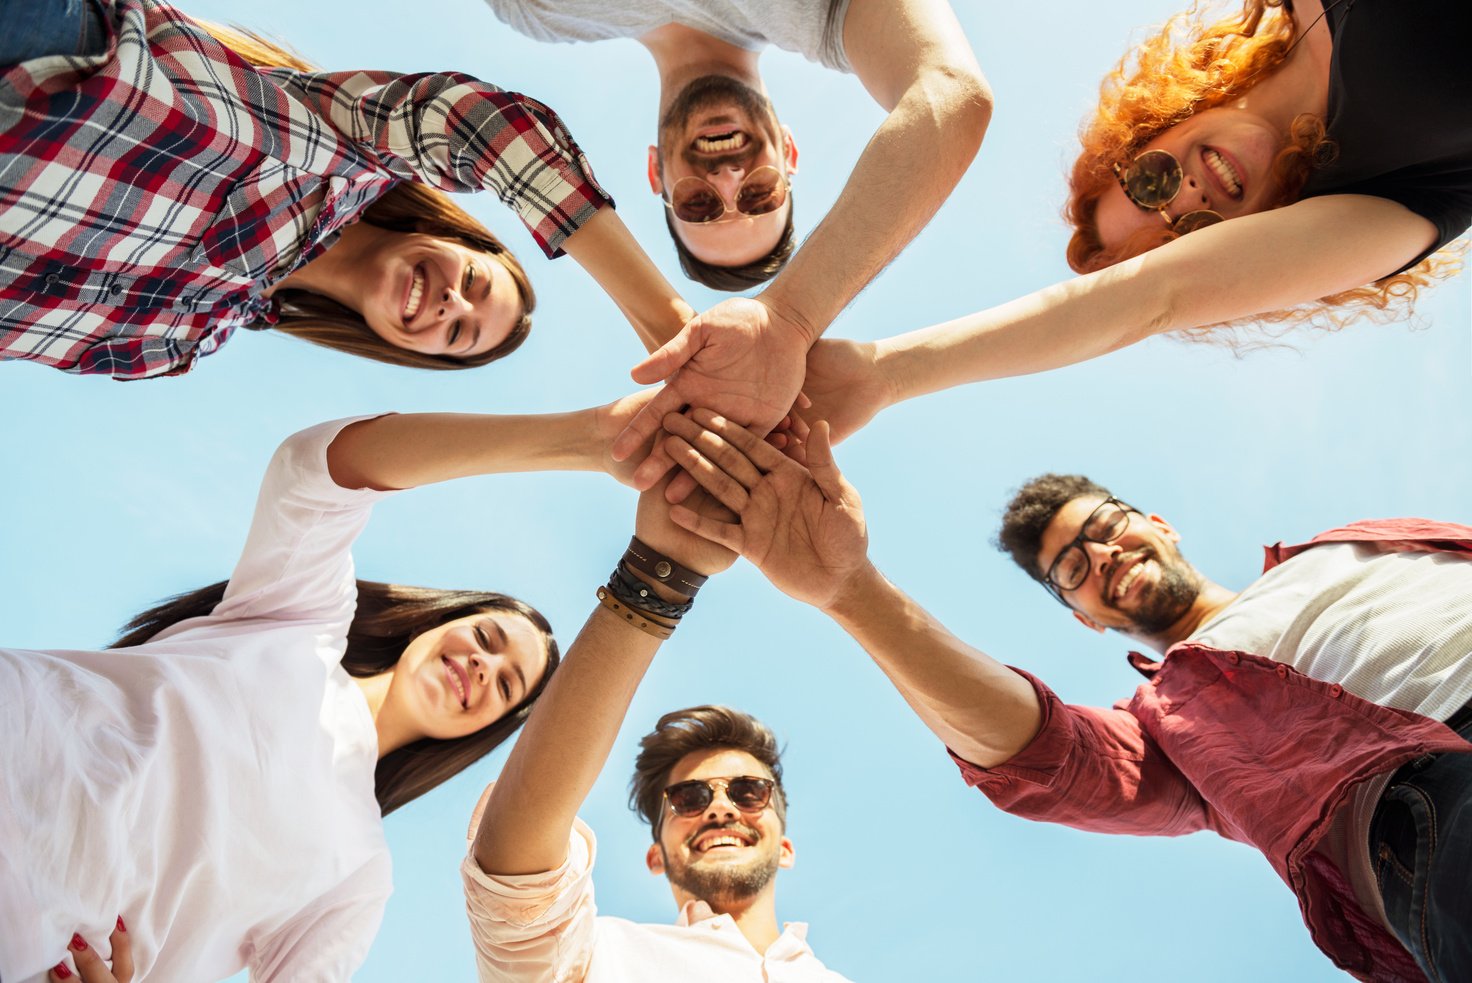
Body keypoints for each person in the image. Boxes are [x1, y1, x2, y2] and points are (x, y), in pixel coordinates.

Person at [658, 409, 1472, 982]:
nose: (1101, 554)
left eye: (1105, 526)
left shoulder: (1353, 539)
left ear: (1159, 522)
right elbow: (1050, 757)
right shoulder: (1180, 726)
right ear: (1083, 620)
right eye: (1072, 570)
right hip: (1435, 789)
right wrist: (851, 590)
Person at [626, 0, 1470, 491]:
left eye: (1145, 185)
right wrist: (884, 372)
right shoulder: (1393, 199)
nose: (1185, 198)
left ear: (1147, 130)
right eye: (1191, 236)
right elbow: (1151, 298)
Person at [0, 394, 683, 983]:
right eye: (484, 637)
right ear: (433, 620)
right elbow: (313, 472)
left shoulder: (357, 874)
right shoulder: (299, 623)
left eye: (505, 683)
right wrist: (591, 437)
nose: (481, 666)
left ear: (482, 731)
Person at [0, 0, 693, 379]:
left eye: (456, 334)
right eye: (475, 284)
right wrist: (670, 327)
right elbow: (479, 125)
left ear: (404, 349)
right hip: (37, 44)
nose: (449, 304)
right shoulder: (349, 160)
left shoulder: (181, 345)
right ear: (452, 236)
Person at [481, 0, 991, 476]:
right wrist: (787, 319)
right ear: (789, 154)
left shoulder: (539, 13)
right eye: (760, 195)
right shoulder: (829, 15)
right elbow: (952, 92)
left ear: (656, 171)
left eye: (697, 203)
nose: (727, 179)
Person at [461, 489, 850, 979]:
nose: (721, 806)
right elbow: (513, 874)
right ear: (655, 856)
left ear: (786, 847)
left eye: (750, 792)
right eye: (688, 798)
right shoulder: (596, 957)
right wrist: (659, 576)